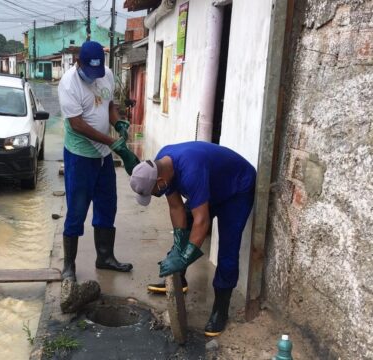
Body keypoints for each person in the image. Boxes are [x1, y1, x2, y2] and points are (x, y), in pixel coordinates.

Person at [129, 141, 256, 336]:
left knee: (228, 249)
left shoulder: (190, 172)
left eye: (154, 192)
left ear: (160, 180)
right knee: (185, 227)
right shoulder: (163, 163)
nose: (155, 196)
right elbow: (176, 207)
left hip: (236, 188)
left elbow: (202, 221)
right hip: (210, 187)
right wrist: (180, 243)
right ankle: (179, 279)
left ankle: (220, 310)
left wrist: (184, 256)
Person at [58, 41, 140, 282]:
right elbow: (77, 124)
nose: (94, 77)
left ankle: (105, 257)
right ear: (78, 63)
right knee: (77, 209)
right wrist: (111, 142)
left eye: (98, 71)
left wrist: (118, 123)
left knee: (107, 204)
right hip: (80, 157)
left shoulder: (107, 75)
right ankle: (69, 266)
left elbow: (109, 105)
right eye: (89, 71)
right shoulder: (68, 84)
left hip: (103, 157)